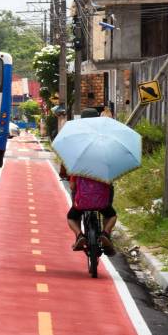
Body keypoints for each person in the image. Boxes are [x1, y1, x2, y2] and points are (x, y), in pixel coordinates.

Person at [61, 108, 117, 256]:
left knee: (72, 216)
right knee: (110, 214)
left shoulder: (76, 138)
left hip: (82, 191)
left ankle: (79, 235)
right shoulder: (105, 138)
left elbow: (70, 172)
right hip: (102, 193)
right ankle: (105, 234)